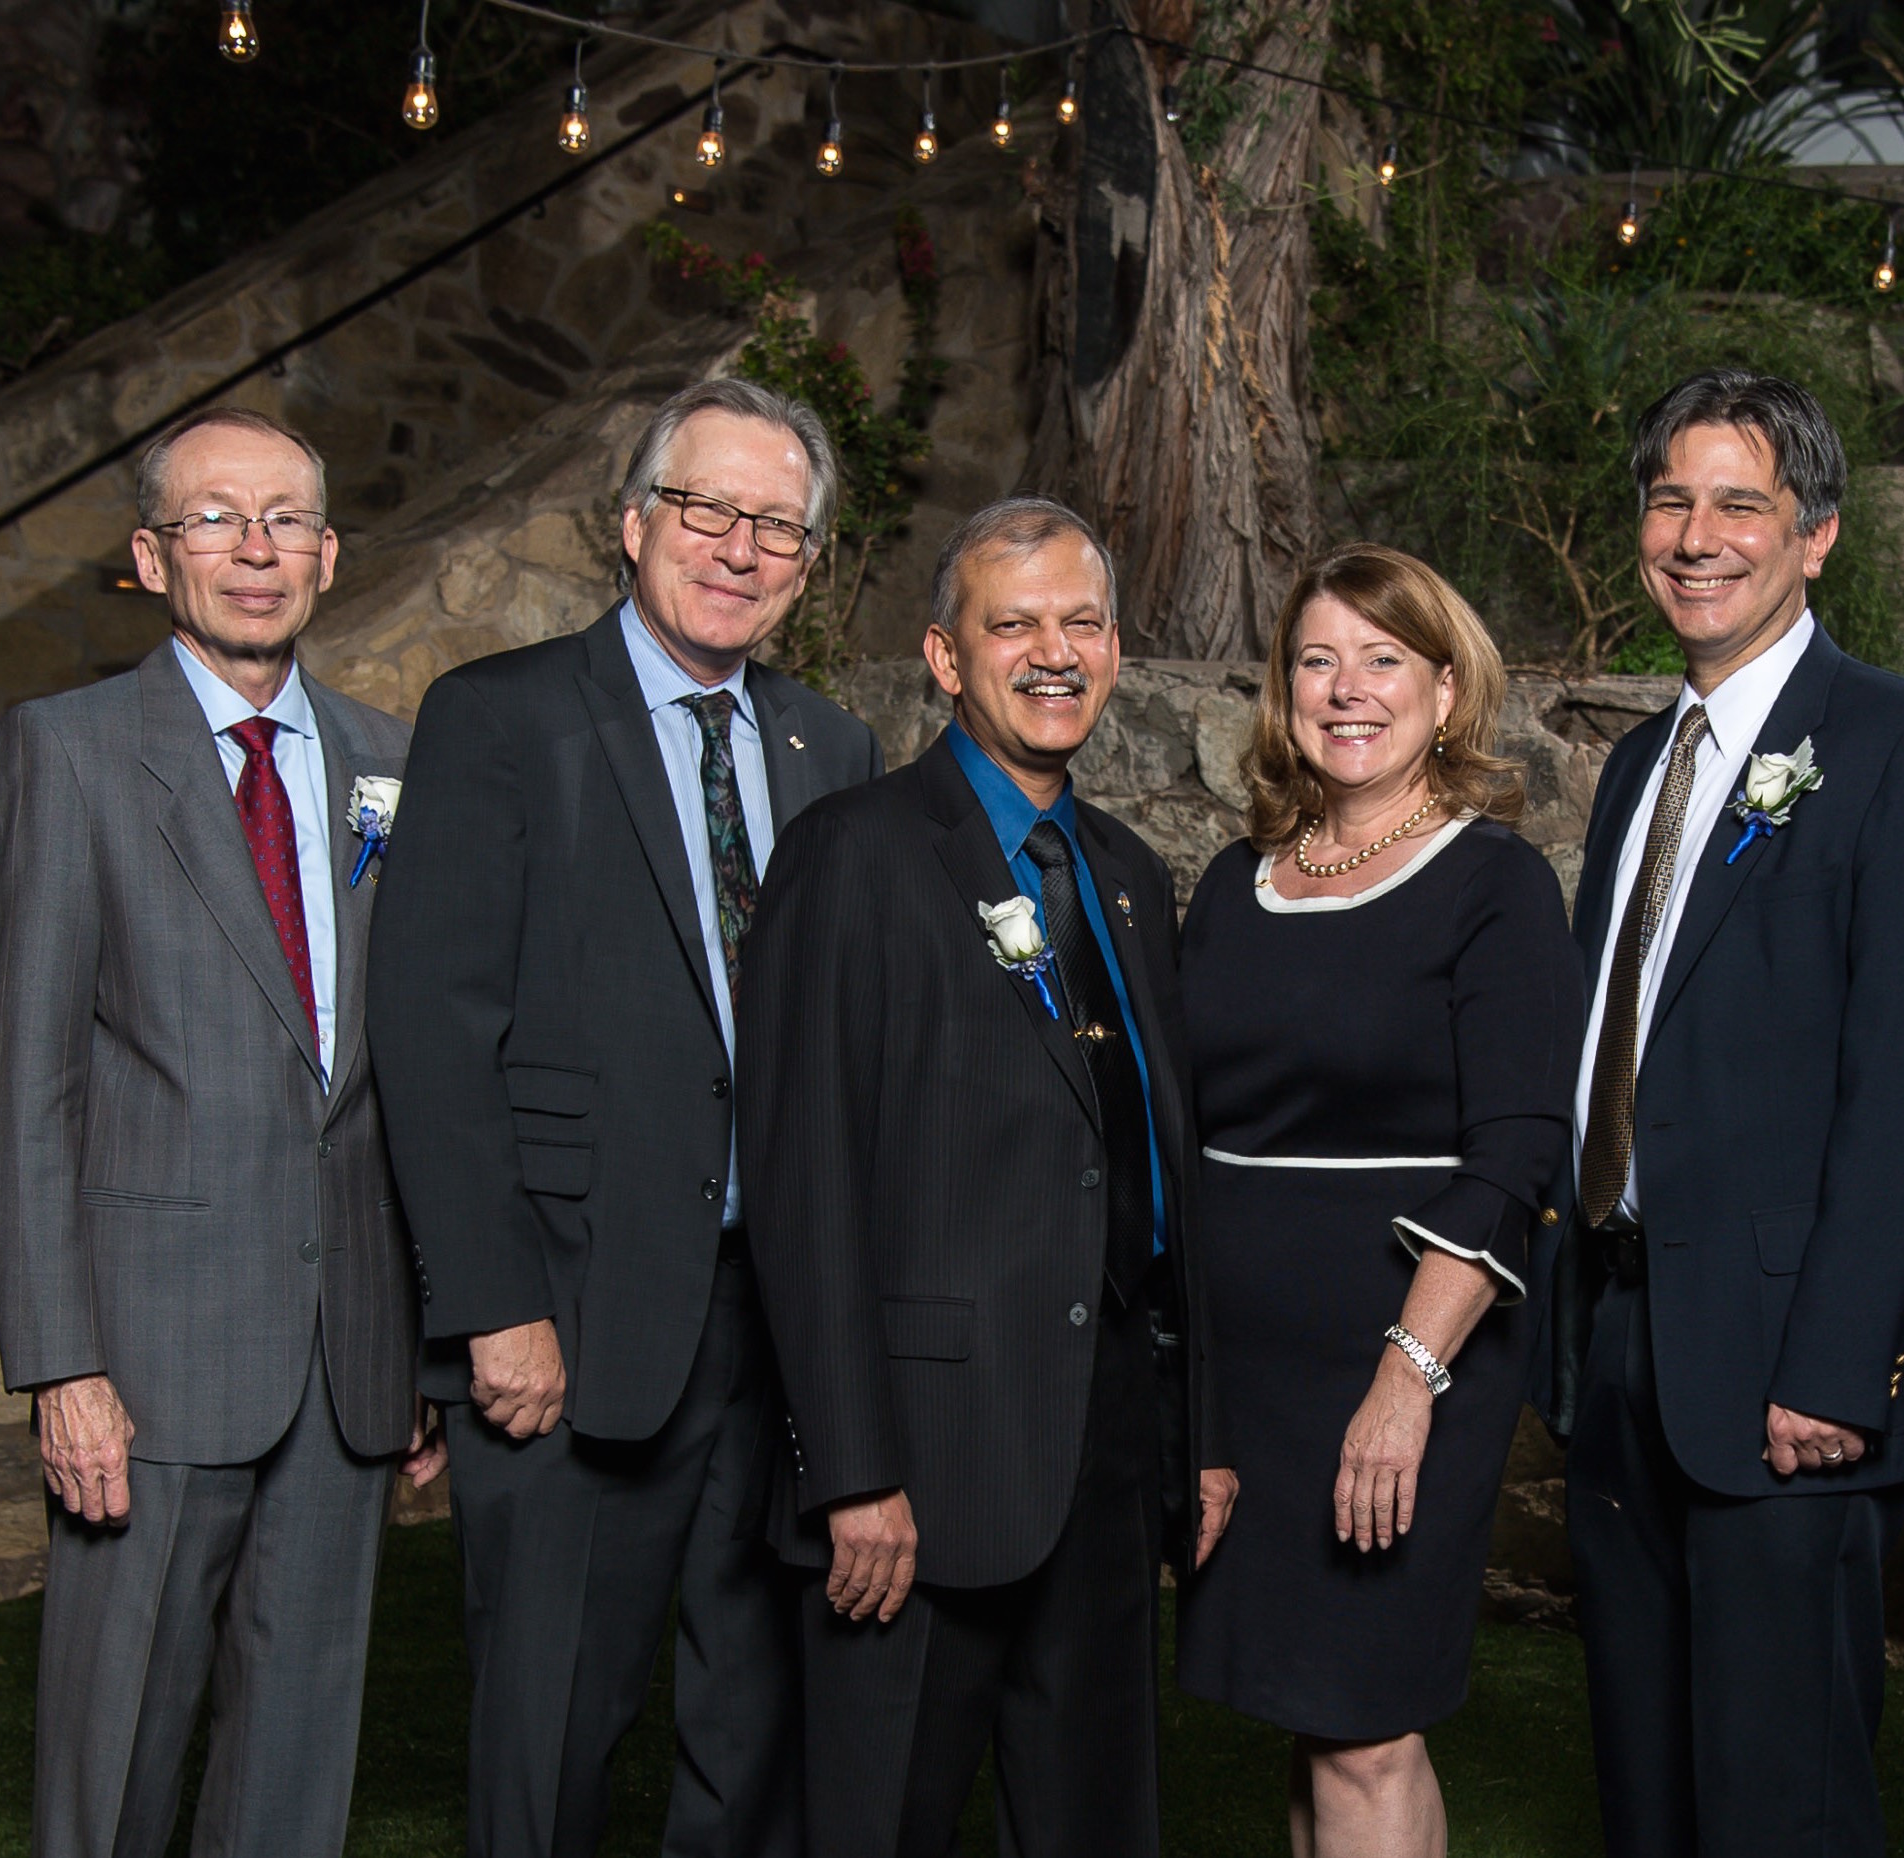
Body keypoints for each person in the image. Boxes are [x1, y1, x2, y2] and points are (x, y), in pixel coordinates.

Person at [366, 378, 880, 1858]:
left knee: (754, 1732)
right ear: (636, 521)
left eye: (776, 525)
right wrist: (493, 1308)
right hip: (574, 1323)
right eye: (707, 508)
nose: (739, 547)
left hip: (778, 1331)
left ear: (807, 563)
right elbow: (434, 1034)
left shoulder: (832, 751)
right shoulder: (501, 717)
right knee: (550, 1733)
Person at [1529, 369, 1904, 1857]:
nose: (1696, 535)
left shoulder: (1903, 747)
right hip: (1624, 1342)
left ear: (1817, 534)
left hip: (1791, 1377)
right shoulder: (1636, 765)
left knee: (1779, 1801)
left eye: (1741, 503)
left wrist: (1841, 1366)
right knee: (1648, 1795)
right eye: (1670, 499)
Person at [735, 496, 1233, 1858]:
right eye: (1014, 625)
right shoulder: (854, 853)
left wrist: (1193, 1434)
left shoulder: (1127, 874)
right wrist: (851, 1470)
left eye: (1083, 622)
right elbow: (801, 1184)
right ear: (947, 657)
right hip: (919, 1461)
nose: (1054, 653)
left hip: (1105, 1457)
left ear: (1115, 648)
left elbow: (1158, 1170)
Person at [0, 405, 440, 1858]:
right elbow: (31, 1087)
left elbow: (405, 1072)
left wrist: (419, 1336)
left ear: (328, 553)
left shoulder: (387, 757)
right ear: (150, 554)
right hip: (149, 1363)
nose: (255, 549)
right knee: (117, 1749)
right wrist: (62, 1364)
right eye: (216, 519)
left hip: (347, 1354)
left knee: (296, 1762)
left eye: (286, 520)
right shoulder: (69, 751)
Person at [1174, 544, 1582, 1856]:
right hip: (1249, 1373)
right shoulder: (1234, 882)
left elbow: (1516, 1149)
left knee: (1365, 1726)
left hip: (1403, 1353)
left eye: (1383, 659)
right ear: (1284, 691)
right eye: (1318, 660)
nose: (1347, 688)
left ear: (1446, 690)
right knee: (1313, 1719)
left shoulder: (1494, 884)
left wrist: (1409, 1377)